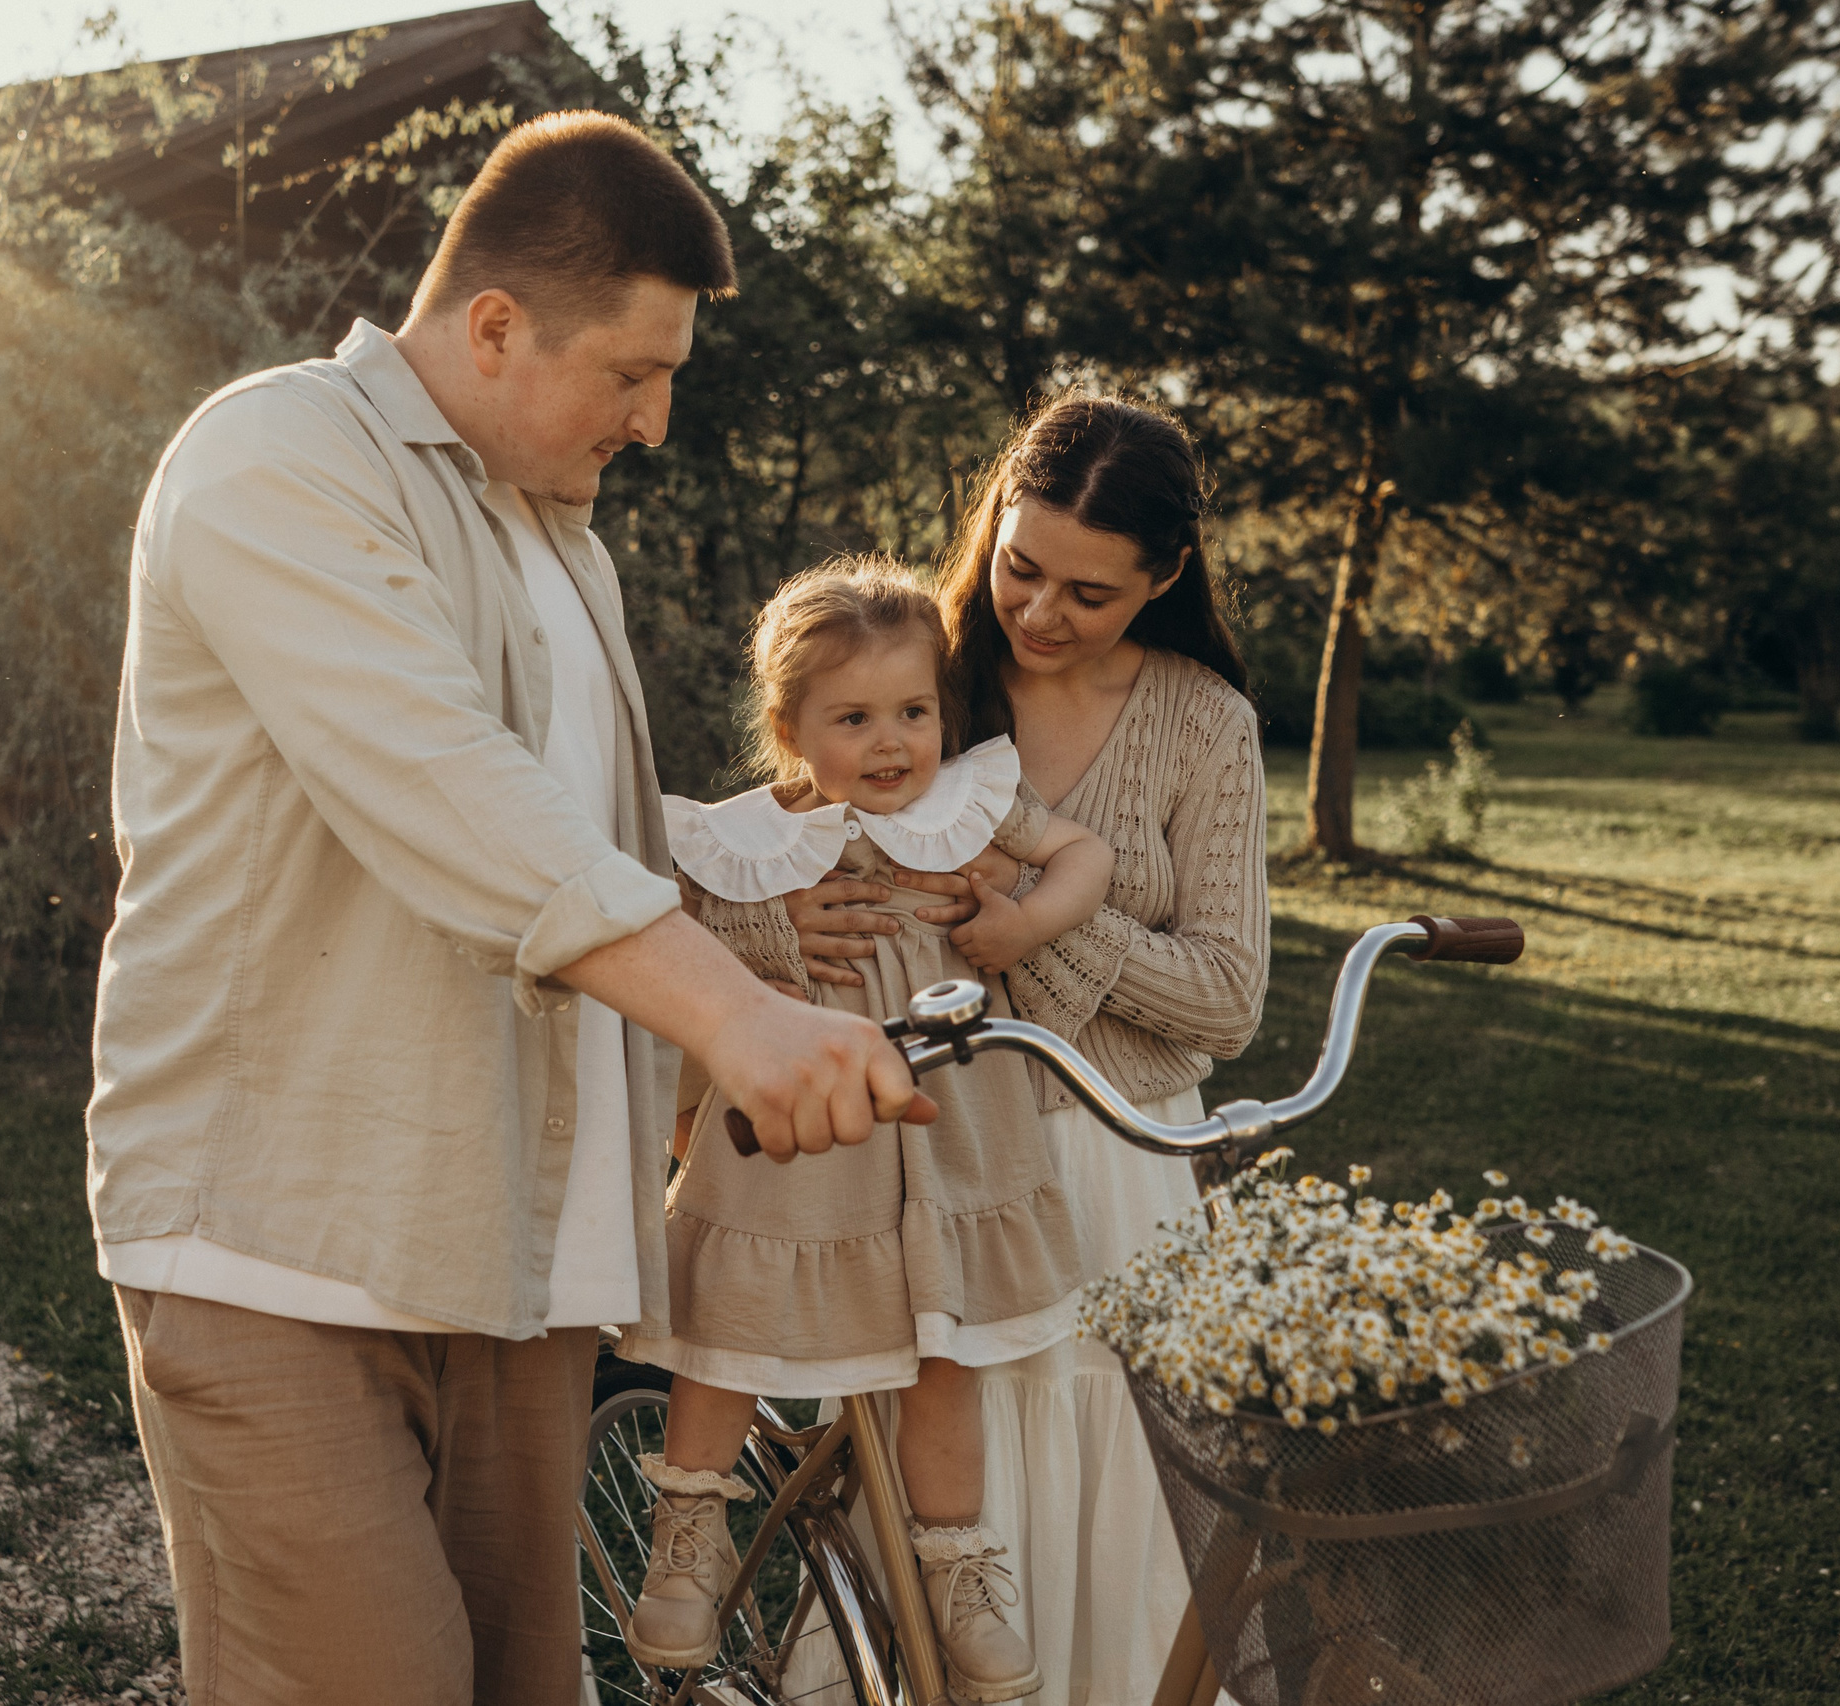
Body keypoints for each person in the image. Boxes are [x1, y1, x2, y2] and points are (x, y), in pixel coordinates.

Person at [85, 113, 933, 1706]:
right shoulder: (276, 458)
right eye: (633, 372)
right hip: (286, 1254)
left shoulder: (558, 541)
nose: (657, 420)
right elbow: (445, 786)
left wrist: (767, 950)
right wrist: (739, 1018)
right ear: (492, 325)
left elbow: (583, 842)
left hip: (517, 1269)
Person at [695, 397, 1268, 1705]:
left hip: (1124, 1164)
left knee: (1125, 1480)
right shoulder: (924, 673)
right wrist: (781, 919)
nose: (1042, 612)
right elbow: (759, 829)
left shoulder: (1201, 721)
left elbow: (1227, 997)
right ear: (992, 521)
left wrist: (1025, 927)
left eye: (1090, 590)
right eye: (1021, 567)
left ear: (1166, 578)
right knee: (947, 1486)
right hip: (938, 1153)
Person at [618, 558, 1116, 1702]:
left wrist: (1020, 921)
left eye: (913, 711)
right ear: (789, 727)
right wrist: (764, 931)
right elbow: (661, 942)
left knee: (944, 1355)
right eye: (853, 718)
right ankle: (688, 1534)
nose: (892, 742)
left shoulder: (969, 809)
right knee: (726, 1334)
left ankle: (954, 1567)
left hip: (947, 1137)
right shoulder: (742, 841)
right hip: (791, 1138)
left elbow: (1085, 855)